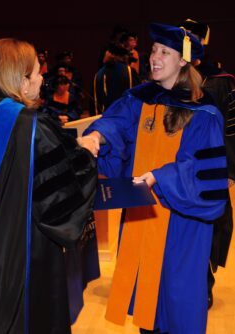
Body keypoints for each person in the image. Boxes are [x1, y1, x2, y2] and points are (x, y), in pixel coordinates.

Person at [82, 23, 229, 333]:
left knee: (175, 297)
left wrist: (159, 178)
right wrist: (97, 135)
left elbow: (201, 172)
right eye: (153, 51)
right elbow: (117, 124)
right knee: (146, 300)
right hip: (142, 212)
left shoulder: (203, 112)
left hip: (181, 219)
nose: (154, 58)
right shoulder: (139, 100)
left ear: (183, 61)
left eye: (165, 52)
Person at [0, 38, 98, 334]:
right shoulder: (30, 125)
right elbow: (59, 200)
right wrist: (85, 152)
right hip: (20, 256)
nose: (42, 78)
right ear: (22, 81)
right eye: (37, 72)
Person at [179, 18, 235, 309]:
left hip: (209, 166)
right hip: (174, 169)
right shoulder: (168, 78)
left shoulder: (221, 79)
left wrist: (231, 169)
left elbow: (232, 128)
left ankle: (204, 283)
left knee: (208, 223)